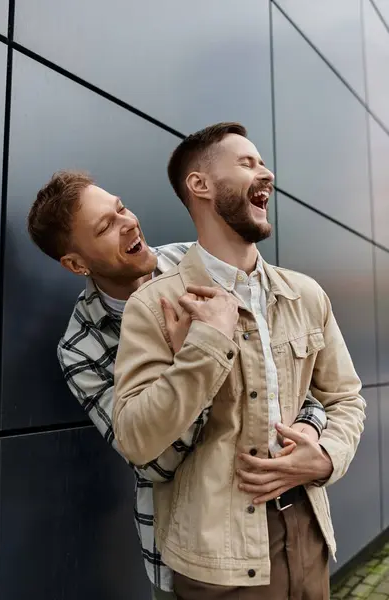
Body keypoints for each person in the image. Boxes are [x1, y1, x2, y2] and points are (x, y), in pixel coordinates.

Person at [27, 171, 327, 600]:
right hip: (187, 561)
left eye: (120, 208)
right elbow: (155, 462)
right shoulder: (81, 349)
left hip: (275, 528)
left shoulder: (202, 263)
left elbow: (297, 385)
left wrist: (313, 433)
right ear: (77, 264)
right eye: (105, 226)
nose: (128, 222)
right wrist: (195, 356)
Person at [112, 122, 366, 600]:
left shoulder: (306, 295)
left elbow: (346, 398)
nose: (266, 173)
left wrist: (326, 455)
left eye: (263, 162)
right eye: (248, 163)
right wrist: (207, 342)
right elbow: (136, 438)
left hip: (310, 535)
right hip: (216, 562)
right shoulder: (154, 306)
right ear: (200, 185)